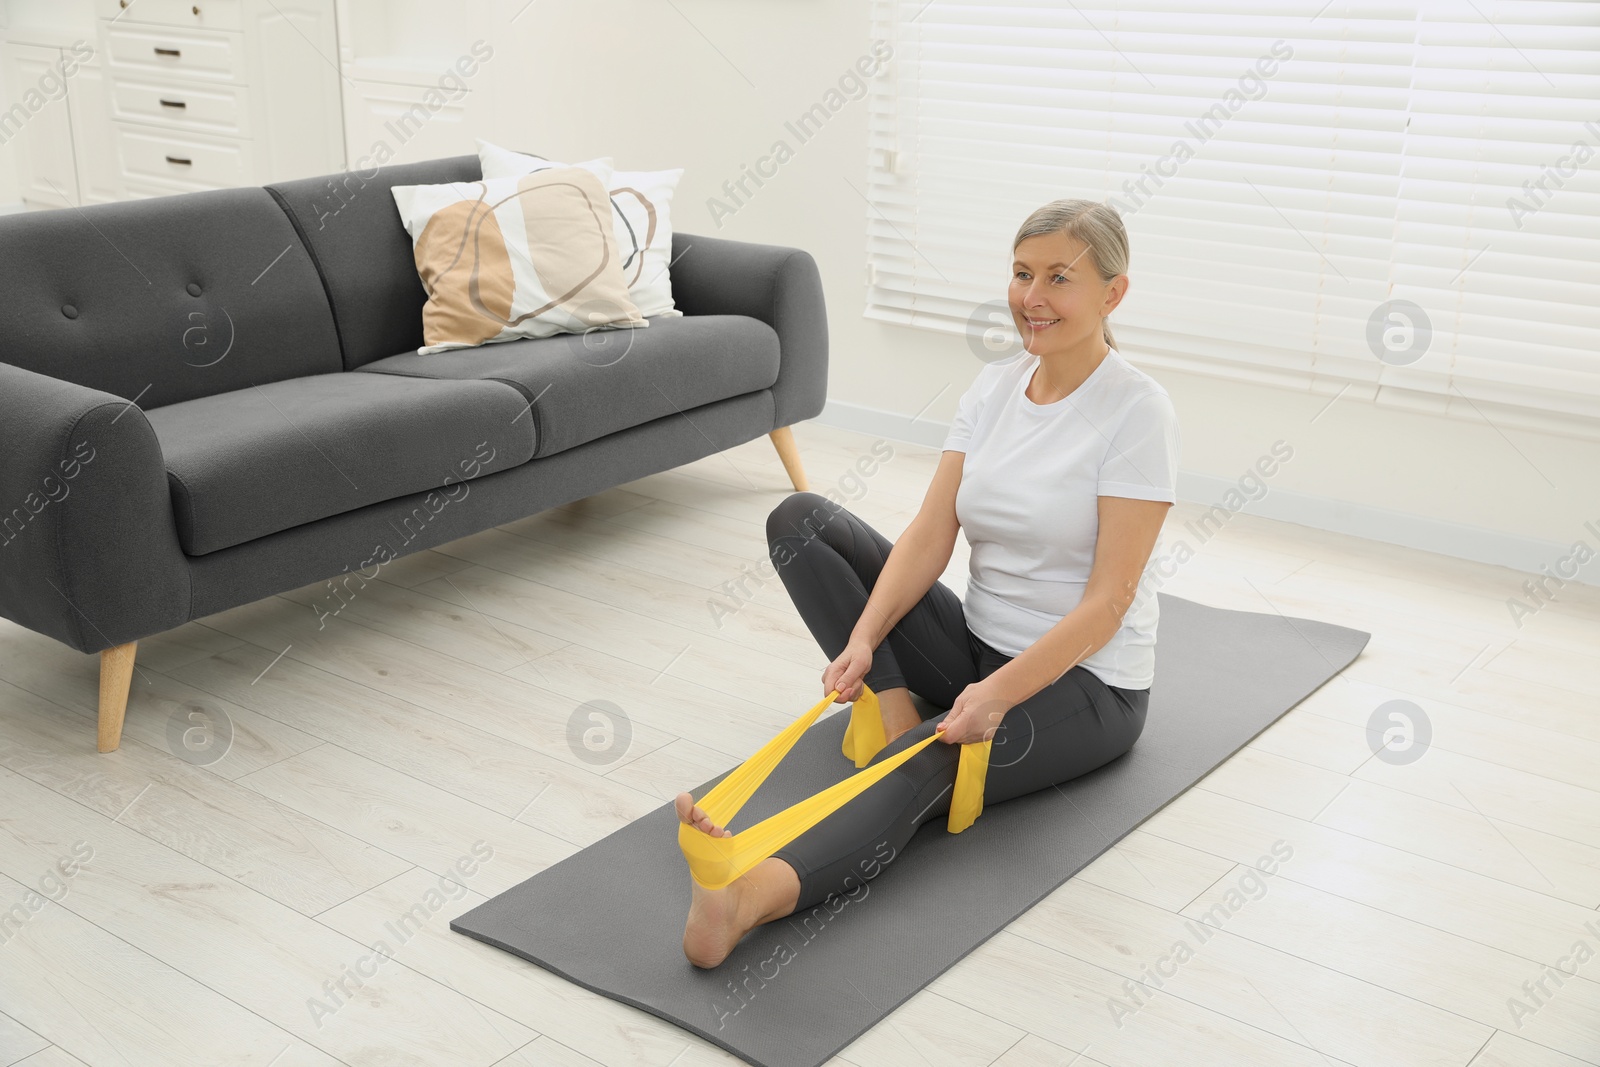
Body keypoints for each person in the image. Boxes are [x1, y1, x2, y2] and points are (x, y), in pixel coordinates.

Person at [675, 198, 1180, 968]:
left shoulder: (1137, 411)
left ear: (1113, 294)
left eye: (1058, 279)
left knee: (923, 764)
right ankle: (895, 703)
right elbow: (928, 533)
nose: (1031, 297)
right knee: (800, 519)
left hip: (1087, 683)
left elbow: (1109, 602)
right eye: (1020, 274)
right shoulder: (994, 389)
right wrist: (866, 640)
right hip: (977, 642)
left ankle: (745, 899)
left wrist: (1001, 694)